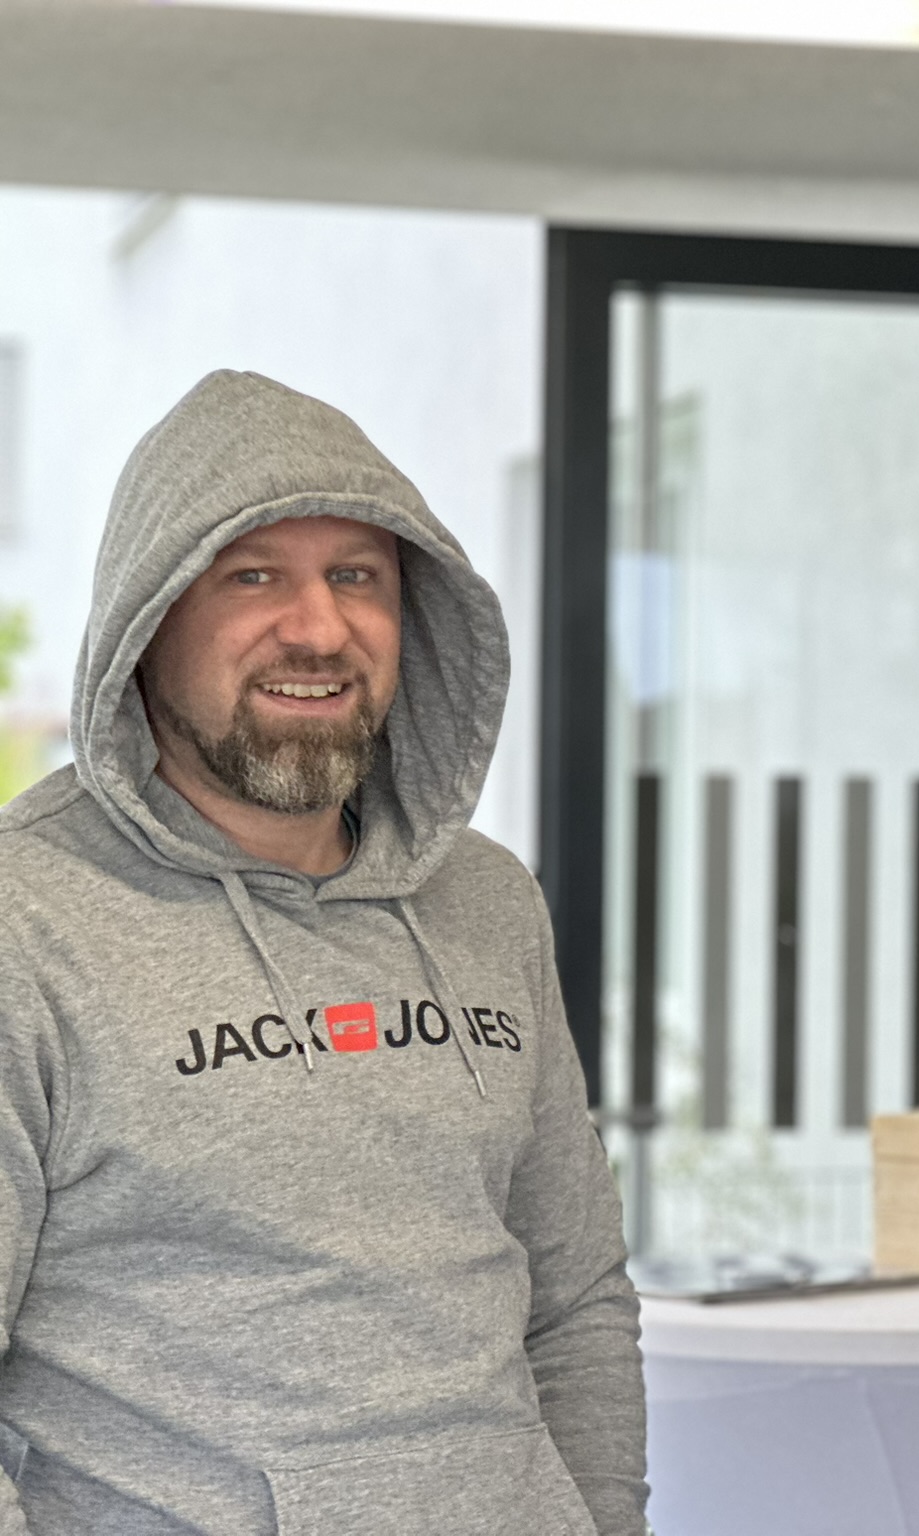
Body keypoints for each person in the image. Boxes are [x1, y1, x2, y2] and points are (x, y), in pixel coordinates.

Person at [0, 372, 647, 1531]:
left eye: (357, 575)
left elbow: (575, 1302)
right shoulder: (26, 921)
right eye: (252, 575)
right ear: (147, 620)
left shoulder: (487, 904)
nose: (317, 627)